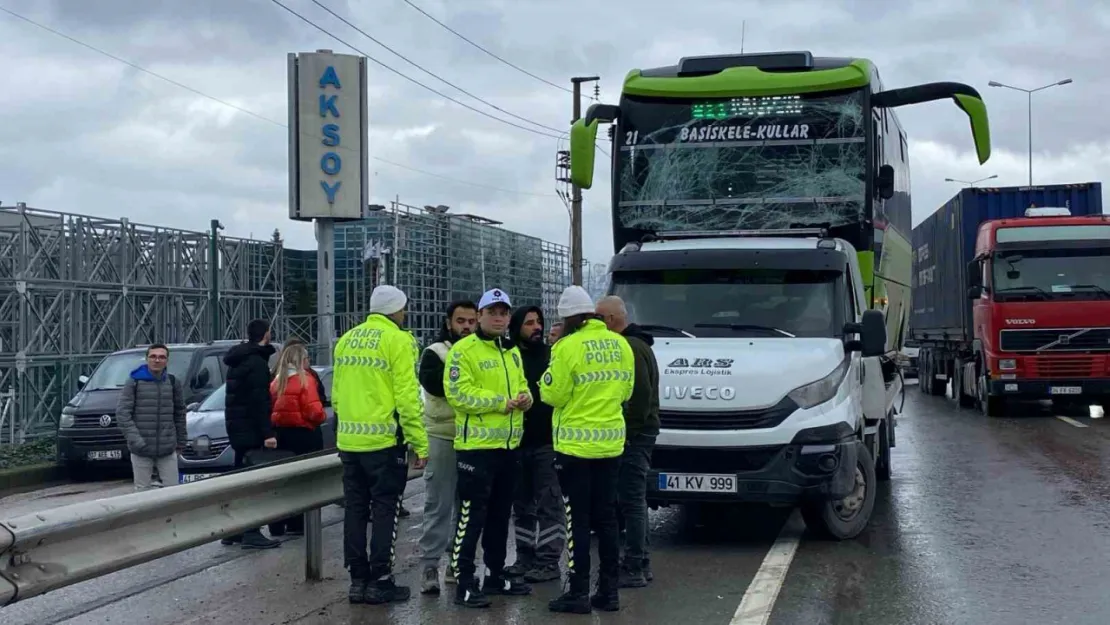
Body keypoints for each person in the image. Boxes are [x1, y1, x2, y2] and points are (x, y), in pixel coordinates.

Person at [540, 285, 635, 614]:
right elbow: (626, 392)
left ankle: (577, 591)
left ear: (567, 318)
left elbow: (554, 395)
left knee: (577, 521)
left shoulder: (567, 347)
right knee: (607, 519)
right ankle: (609, 592)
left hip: (575, 449)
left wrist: (546, 381)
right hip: (611, 446)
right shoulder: (620, 344)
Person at [333, 285, 429, 605]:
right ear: (396, 310)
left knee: (356, 511)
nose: (405, 314)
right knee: (385, 509)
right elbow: (408, 397)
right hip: (384, 443)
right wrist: (420, 442)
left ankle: (357, 581)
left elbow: (336, 395)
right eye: (404, 309)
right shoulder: (399, 340)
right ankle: (381, 580)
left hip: (349, 441)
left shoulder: (347, 340)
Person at [444, 288, 533, 608]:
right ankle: (464, 581)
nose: (498, 318)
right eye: (492, 312)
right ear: (480, 315)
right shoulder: (463, 350)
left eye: (504, 313)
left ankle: (495, 575)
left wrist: (526, 399)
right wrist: (501, 404)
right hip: (476, 449)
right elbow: (458, 394)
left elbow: (523, 388)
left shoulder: (511, 352)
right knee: (471, 517)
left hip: (508, 447)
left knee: (499, 516)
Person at [596, 295, 660, 587]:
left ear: (611, 320)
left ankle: (635, 564)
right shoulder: (638, 344)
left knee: (632, 500)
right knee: (633, 498)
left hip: (635, 435)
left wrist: (625, 434)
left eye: (598, 319)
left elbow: (640, 398)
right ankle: (639, 561)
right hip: (640, 432)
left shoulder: (630, 347)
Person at [417, 299, 477, 594]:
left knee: (466, 505)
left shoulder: (484, 351)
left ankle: (458, 562)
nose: (466, 327)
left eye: (470, 321)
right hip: (442, 437)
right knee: (438, 504)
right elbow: (438, 386)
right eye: (461, 321)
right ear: (448, 323)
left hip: (475, 439)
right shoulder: (435, 352)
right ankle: (430, 565)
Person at [505, 304, 564, 583]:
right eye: (529, 323)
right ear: (517, 328)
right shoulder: (509, 357)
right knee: (522, 506)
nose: (537, 327)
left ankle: (549, 561)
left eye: (538, 322)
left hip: (546, 444)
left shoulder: (551, 356)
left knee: (550, 504)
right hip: (517, 443)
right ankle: (524, 557)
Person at [222, 319, 280, 550]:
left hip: (238, 429)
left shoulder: (238, 359)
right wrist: (267, 432)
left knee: (240, 479)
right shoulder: (256, 363)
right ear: (266, 335)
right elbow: (259, 401)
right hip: (252, 431)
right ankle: (251, 530)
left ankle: (235, 529)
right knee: (254, 482)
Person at [267, 342, 328, 537]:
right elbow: (313, 410)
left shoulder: (277, 381)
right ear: (301, 360)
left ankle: (288, 521)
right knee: (308, 482)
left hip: (284, 435)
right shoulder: (305, 379)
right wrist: (323, 416)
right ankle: (302, 523)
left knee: (289, 481)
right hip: (305, 435)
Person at [115, 343, 186, 491]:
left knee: (174, 492)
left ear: (167, 361)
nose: (157, 360)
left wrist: (181, 441)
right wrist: (136, 440)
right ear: (146, 359)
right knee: (142, 492)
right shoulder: (134, 381)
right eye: (153, 356)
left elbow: (179, 413)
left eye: (161, 357)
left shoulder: (173, 382)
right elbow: (122, 414)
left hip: (167, 448)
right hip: (142, 449)